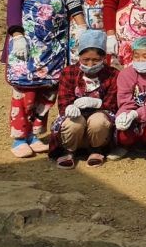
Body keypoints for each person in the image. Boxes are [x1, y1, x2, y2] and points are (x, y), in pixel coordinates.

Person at [4, 0, 69, 158]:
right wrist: (16, 32)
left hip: (55, 44)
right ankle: (20, 137)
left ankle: (35, 134)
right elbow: (13, 2)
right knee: (25, 90)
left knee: (48, 91)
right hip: (28, 42)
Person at [49, 29, 118, 169]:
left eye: (96, 60)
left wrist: (98, 103)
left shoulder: (113, 74)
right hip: (76, 118)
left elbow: (112, 103)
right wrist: (69, 107)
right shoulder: (69, 72)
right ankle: (69, 150)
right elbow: (63, 101)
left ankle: (96, 149)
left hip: (99, 118)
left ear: (104, 58)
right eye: (86, 60)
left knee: (99, 122)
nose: (90, 64)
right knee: (74, 123)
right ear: (78, 56)